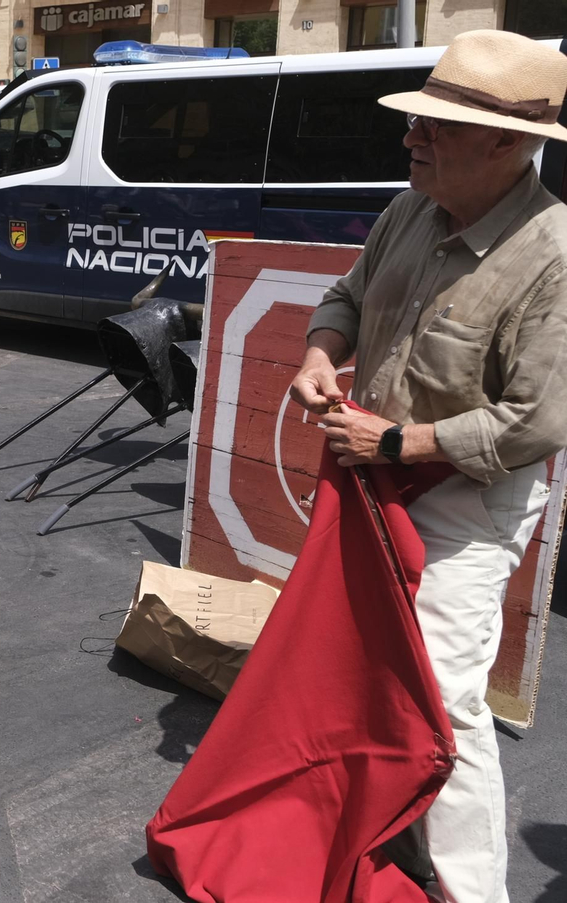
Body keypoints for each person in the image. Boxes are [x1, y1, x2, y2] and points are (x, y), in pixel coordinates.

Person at [288, 30, 567, 902]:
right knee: (369, 667)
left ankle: (468, 889)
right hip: (377, 481)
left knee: (444, 694)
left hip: (466, 504)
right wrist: (319, 351)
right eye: (417, 121)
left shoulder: (554, 254)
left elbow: (539, 420)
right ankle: (399, 831)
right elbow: (345, 294)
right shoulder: (407, 207)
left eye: (436, 127)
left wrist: (399, 444)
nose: (412, 137)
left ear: (510, 144)